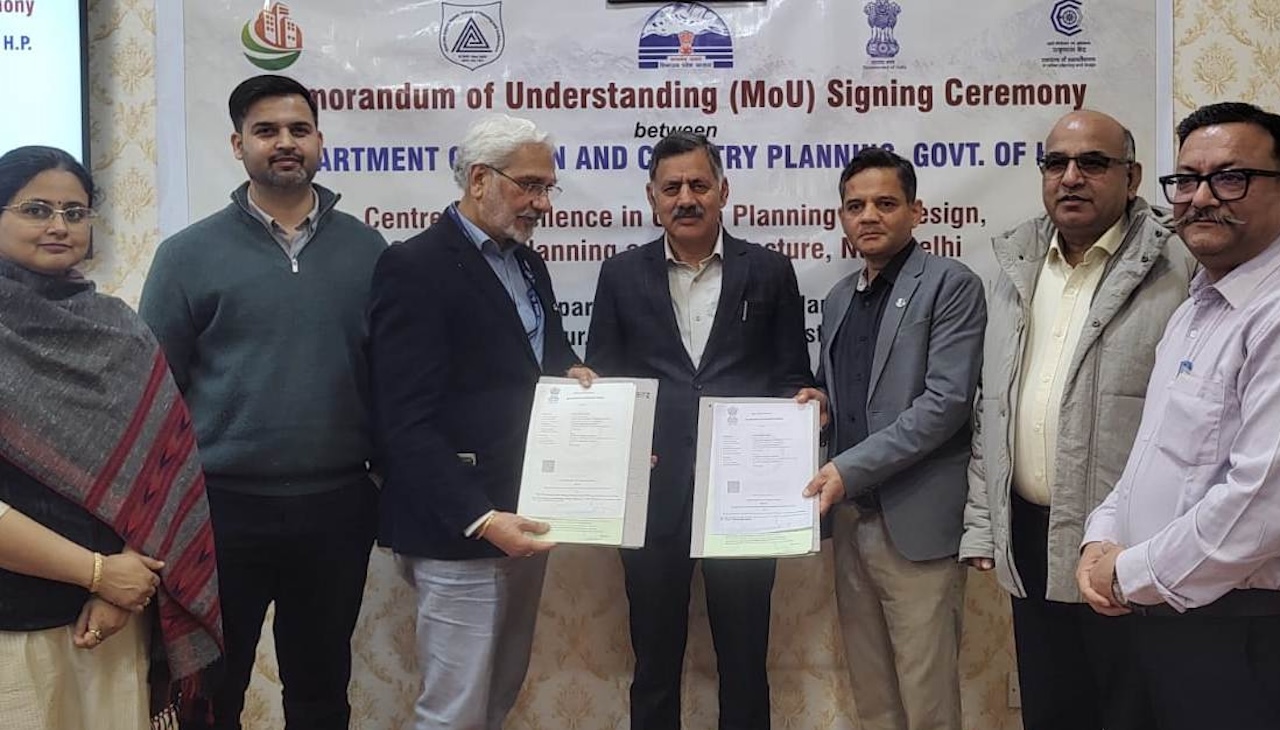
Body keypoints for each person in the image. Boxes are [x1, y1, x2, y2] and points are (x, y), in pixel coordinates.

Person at [139, 75, 385, 730]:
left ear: (319, 141)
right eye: (266, 131)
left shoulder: (368, 251)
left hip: (337, 507)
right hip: (220, 511)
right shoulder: (186, 256)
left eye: (299, 130)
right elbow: (157, 395)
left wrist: (383, 480)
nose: (285, 143)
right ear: (237, 144)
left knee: (321, 690)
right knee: (211, 693)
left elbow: (390, 377)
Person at [958, 110, 1195, 730]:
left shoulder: (1178, 263)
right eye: (1056, 163)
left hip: (1132, 543)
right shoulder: (1016, 265)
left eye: (1092, 163)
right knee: (1052, 706)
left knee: (1132, 709)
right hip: (1030, 532)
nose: (1070, 177)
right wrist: (984, 525)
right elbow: (993, 405)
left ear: (1132, 177)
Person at [368, 114, 593, 730]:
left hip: (526, 513)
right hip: (460, 527)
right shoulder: (414, 266)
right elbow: (402, 417)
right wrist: (480, 517)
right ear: (478, 180)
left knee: (497, 696)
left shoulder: (528, 265)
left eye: (547, 187)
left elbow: (542, 363)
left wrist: (575, 378)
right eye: (530, 185)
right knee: (454, 712)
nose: (542, 203)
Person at [586, 131, 814, 730]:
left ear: (723, 191)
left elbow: (793, 374)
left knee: (745, 663)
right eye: (672, 188)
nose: (685, 198)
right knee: (653, 665)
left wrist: (806, 401)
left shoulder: (769, 271)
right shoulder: (619, 275)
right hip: (652, 498)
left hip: (744, 501)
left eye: (698, 185)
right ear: (652, 197)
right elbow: (606, 378)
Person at [0, 145, 221, 729]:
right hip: (11, 629)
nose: (59, 226)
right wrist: (98, 573)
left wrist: (122, 585)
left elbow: (163, 471)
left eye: (75, 212)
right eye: (36, 210)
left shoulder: (120, 328)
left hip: (113, 621)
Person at [1077, 102, 1280, 730]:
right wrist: (1099, 536)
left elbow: (1260, 501)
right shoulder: (1196, 309)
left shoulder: (1272, 315)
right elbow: (1151, 454)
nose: (1201, 197)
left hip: (1243, 633)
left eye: (1230, 177)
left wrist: (1127, 572)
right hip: (1166, 619)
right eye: (1187, 179)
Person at [801, 147, 985, 730]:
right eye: (855, 206)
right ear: (842, 217)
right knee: (873, 695)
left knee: (928, 703)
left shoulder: (951, 285)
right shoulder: (838, 299)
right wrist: (820, 401)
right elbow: (840, 388)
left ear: (915, 211)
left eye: (885, 203)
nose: (869, 216)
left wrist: (848, 469)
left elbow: (945, 404)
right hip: (851, 521)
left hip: (916, 527)